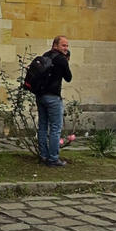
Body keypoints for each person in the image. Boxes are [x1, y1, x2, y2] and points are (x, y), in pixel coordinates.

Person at [36, 35, 72, 167]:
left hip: (40, 96)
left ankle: (43, 155)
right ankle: (53, 158)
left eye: (67, 46)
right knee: (56, 128)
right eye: (63, 45)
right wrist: (66, 61)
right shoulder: (61, 60)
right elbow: (68, 77)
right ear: (55, 45)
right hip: (53, 97)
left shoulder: (45, 55)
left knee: (43, 127)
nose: (66, 48)